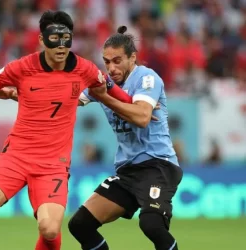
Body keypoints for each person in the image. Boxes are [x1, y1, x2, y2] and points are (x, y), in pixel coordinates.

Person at [0, 11, 132, 250]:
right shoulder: (22, 67)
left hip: (52, 164)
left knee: (49, 230)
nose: (61, 45)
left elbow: (112, 90)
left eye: (66, 38)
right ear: (41, 39)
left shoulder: (85, 69)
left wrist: (137, 106)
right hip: (16, 155)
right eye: (54, 38)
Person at [67, 26, 182, 250]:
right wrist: (19, 93)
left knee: (151, 224)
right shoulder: (103, 85)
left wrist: (104, 98)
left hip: (158, 164)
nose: (111, 68)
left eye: (117, 60)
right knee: (80, 225)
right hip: (128, 171)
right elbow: (67, 101)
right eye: (107, 61)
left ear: (132, 57)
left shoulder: (146, 78)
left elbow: (141, 117)